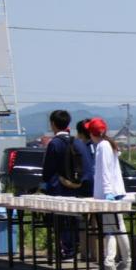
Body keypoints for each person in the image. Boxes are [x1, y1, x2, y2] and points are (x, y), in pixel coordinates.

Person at [40, 109, 86, 258]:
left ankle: (66, 249)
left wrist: (46, 183)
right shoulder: (75, 141)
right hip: (74, 186)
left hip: (57, 186)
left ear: (53, 124)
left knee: (60, 220)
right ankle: (74, 247)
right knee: (72, 218)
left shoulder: (54, 143)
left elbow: (48, 169)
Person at [89, 117, 131, 270]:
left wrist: (107, 193)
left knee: (111, 229)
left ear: (92, 133)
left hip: (109, 194)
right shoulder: (108, 144)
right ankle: (126, 261)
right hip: (114, 193)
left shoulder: (103, 146)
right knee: (118, 228)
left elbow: (105, 171)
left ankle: (110, 261)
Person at [74, 119, 96, 198]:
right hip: (98, 186)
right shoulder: (97, 145)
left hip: (84, 186)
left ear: (80, 133)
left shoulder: (78, 146)